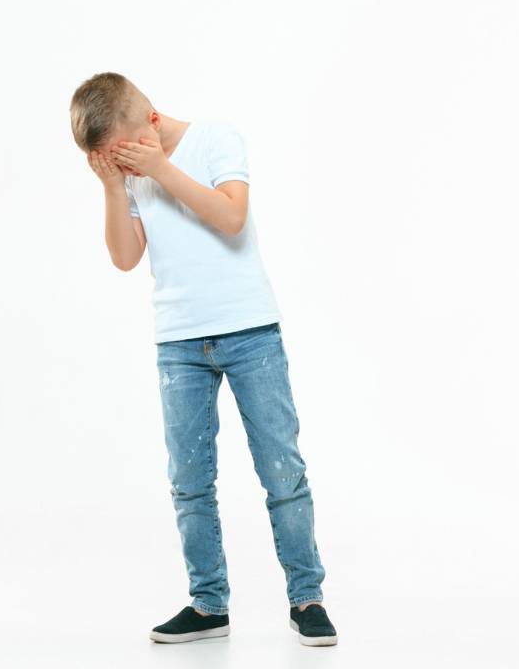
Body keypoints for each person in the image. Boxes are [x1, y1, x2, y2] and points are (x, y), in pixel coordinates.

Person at [68, 72, 338, 647]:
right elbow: (124, 258)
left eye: (126, 153)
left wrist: (160, 169)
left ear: (153, 123)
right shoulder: (132, 177)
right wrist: (115, 187)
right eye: (109, 160)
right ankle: (208, 602)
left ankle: (306, 596)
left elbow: (231, 218)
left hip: (249, 332)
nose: (125, 165)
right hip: (180, 341)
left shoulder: (215, 138)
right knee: (189, 482)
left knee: (282, 472)